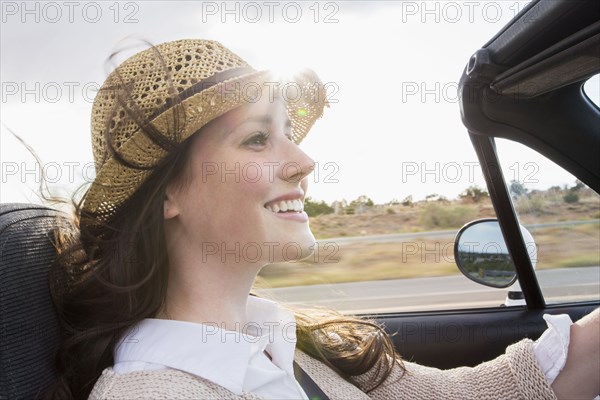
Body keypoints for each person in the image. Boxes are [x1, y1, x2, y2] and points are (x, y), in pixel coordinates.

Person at [47, 39, 599, 400]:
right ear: (168, 191)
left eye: (289, 133)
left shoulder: (283, 340)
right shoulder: (153, 393)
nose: (304, 162)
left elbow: (465, 395)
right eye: (258, 138)